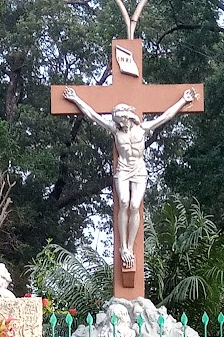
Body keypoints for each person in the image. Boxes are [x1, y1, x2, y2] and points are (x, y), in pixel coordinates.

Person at [63, 86, 197, 270]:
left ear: (128, 117)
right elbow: (93, 115)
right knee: (124, 202)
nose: (120, 124)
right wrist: (76, 99)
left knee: (135, 205)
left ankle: (130, 247)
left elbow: (165, 116)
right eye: (117, 121)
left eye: (122, 120)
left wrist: (183, 100)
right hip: (123, 170)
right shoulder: (116, 131)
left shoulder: (142, 128)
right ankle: (123, 247)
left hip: (139, 169)